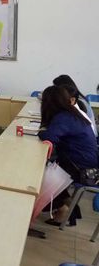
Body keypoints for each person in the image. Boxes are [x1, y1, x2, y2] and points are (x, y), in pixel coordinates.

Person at [38, 85, 98, 226]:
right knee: (46, 168)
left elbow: (50, 136)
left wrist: (41, 132)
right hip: (84, 162)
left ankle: (64, 209)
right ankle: (70, 209)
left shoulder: (64, 117)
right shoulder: (71, 113)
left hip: (81, 168)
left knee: (39, 174)